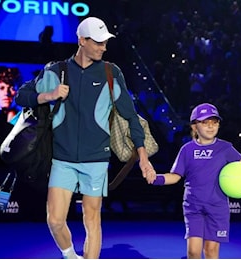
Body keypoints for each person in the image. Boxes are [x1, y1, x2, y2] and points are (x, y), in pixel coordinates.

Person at [15, 17, 157, 259]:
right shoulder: (55, 71)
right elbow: (21, 96)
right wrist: (49, 95)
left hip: (96, 160)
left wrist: (143, 158)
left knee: (92, 219)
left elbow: (132, 117)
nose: (104, 47)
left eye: (105, 43)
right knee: (55, 220)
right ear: (82, 41)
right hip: (62, 158)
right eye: (99, 42)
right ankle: (71, 256)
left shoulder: (111, 73)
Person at [151, 103, 241, 259]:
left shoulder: (225, 148)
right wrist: (155, 178)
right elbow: (175, 176)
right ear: (195, 126)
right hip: (193, 206)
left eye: (214, 122)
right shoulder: (187, 150)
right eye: (205, 122)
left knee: (211, 251)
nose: (211, 126)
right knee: (193, 252)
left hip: (218, 207)